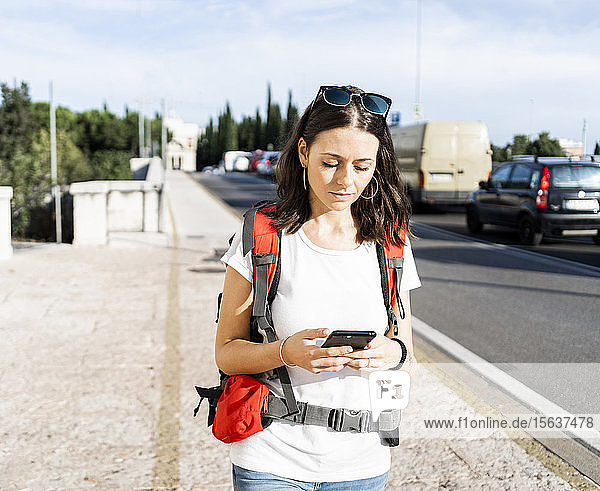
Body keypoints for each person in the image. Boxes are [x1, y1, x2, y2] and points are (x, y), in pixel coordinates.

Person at [216, 85, 421, 490]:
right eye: (331, 162)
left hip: (361, 464)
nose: (346, 180)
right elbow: (226, 354)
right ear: (304, 153)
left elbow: (406, 352)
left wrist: (388, 352)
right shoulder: (262, 237)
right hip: (269, 458)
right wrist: (284, 352)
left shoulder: (390, 241)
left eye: (362, 166)